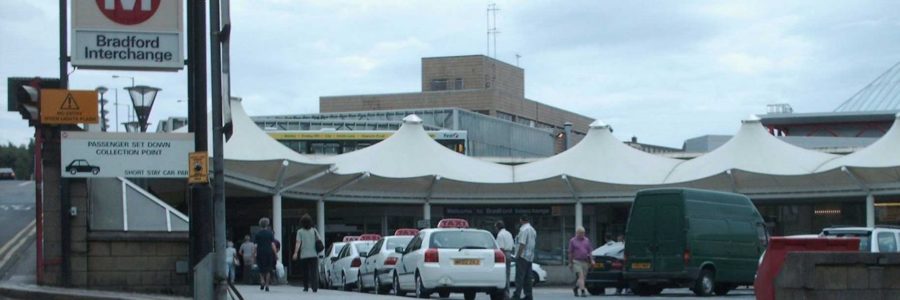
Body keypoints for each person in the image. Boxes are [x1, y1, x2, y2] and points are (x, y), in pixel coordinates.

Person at [292, 214, 321, 292]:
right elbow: (319, 239)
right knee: (313, 271)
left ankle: (306, 287)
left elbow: (298, 242)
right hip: (314, 254)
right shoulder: (314, 230)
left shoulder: (300, 231)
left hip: (304, 255)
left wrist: (295, 253)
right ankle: (314, 287)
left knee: (305, 272)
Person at [513, 215, 536, 300]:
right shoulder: (533, 230)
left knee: (519, 277)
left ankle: (516, 295)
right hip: (530, 257)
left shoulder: (523, 230)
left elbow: (522, 244)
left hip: (522, 257)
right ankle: (529, 295)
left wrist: (517, 256)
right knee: (528, 278)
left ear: (521, 220)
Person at [568, 226, 594, 297]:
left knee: (583, 278)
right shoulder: (572, 241)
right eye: (581, 233)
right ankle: (583, 292)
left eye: (583, 233)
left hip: (585, 261)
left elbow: (590, 251)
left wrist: (592, 260)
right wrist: (570, 263)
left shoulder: (587, 240)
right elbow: (570, 252)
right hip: (576, 261)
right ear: (577, 233)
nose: (582, 234)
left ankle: (576, 288)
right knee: (581, 276)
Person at [253, 217, 277, 292]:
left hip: (260, 252)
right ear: (267, 224)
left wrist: (254, 254)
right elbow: (272, 244)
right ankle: (267, 285)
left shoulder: (258, 234)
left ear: (260, 225)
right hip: (268, 253)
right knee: (268, 269)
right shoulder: (270, 233)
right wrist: (275, 254)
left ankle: (262, 280)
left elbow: (255, 245)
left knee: (261, 268)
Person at [495, 220, 515, 296]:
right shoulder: (508, 233)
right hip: (509, 253)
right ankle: (507, 291)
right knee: (507, 274)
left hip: (503, 254)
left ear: (497, 227)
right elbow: (513, 246)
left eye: (495, 227)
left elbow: (501, 248)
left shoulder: (500, 235)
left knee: (503, 274)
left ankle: (504, 292)